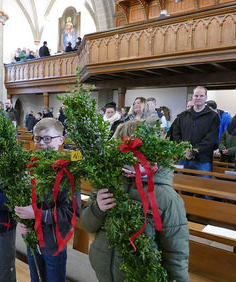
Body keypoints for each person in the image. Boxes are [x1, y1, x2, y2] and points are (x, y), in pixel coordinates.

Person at [81, 119, 189, 282]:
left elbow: (175, 253)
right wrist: (97, 208)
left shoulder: (166, 196)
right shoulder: (108, 183)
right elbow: (88, 225)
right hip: (104, 271)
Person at [14, 118, 81, 282]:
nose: (41, 143)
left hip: (53, 243)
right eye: (37, 138)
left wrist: (36, 215)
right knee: (35, 277)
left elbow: (71, 213)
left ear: (61, 140)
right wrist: (20, 220)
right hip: (31, 238)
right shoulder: (31, 166)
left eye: (47, 138)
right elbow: (22, 198)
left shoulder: (68, 173)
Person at [170, 86, 219, 176]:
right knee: (181, 185)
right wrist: (184, 149)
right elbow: (175, 134)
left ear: (206, 97)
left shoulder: (213, 116)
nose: (198, 98)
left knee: (202, 186)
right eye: (196, 96)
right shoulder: (183, 115)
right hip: (183, 157)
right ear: (192, 97)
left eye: (201, 96)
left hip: (203, 160)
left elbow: (210, 139)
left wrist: (193, 151)